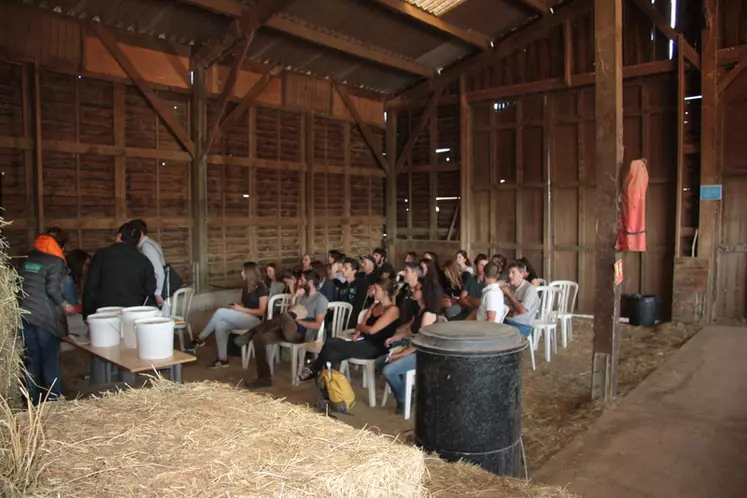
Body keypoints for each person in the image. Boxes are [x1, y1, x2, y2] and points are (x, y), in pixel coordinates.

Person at [237, 269, 329, 388]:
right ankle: (264, 378)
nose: (299, 282)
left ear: (310, 282)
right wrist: (294, 297)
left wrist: (298, 321)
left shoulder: (321, 299)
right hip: (287, 328)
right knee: (259, 338)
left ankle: (251, 332)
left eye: (302, 280)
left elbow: (317, 324)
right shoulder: (302, 296)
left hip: (302, 334)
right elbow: (290, 313)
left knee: (284, 316)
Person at [298, 278, 400, 383]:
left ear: (385, 293)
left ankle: (314, 369)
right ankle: (327, 388)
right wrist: (358, 332)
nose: (373, 292)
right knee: (331, 355)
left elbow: (372, 330)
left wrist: (359, 327)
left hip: (376, 347)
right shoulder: (375, 305)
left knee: (331, 341)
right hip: (363, 341)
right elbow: (364, 323)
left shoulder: (393, 310)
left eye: (376, 290)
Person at [16, 228, 75, 405]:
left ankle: (32, 403)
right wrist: (66, 305)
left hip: (25, 315)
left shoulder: (26, 258)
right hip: (45, 318)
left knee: (32, 360)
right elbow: (52, 289)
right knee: (50, 360)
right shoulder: (56, 261)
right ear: (60, 246)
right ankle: (54, 402)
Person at [379, 259, 442, 414]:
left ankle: (402, 399)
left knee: (388, 370)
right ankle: (407, 391)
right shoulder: (420, 310)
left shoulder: (428, 314)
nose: (413, 291)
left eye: (417, 289)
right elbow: (410, 330)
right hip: (414, 348)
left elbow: (419, 343)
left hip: (423, 354)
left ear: (424, 292)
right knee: (380, 362)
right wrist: (397, 337)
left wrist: (400, 354)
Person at [186, 262, 268, 368]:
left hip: (256, 321)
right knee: (221, 325)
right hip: (244, 317)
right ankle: (223, 359)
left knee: (220, 312)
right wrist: (236, 308)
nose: (241, 273)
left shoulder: (262, 288)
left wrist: (240, 309)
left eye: (243, 271)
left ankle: (201, 338)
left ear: (250, 273)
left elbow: (262, 311)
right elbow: (244, 304)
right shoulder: (247, 287)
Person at [83, 223, 156, 318]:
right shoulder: (143, 260)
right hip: (133, 313)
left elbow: (91, 286)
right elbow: (150, 289)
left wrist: (87, 313)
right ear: (137, 242)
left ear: (119, 236)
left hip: (105, 312)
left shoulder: (101, 255)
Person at [129, 219, 167, 306]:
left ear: (140, 233)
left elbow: (158, 271)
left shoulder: (146, 247)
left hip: (157, 290)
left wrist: (157, 293)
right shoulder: (151, 243)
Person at [502, 261, 541, 337]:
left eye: (513, 273)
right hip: (507, 321)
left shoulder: (530, 289)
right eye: (509, 272)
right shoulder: (510, 287)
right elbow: (504, 307)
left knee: (497, 336)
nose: (509, 275)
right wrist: (510, 312)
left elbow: (521, 310)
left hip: (521, 325)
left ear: (522, 274)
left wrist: (509, 295)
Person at [338, 257, 371, 329]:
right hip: (342, 315)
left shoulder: (361, 284)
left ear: (354, 271)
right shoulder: (342, 286)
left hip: (356, 317)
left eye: (346, 268)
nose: (343, 270)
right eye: (343, 267)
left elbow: (361, 304)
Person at [457, 253, 489, 318]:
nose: (484, 267)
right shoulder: (471, 279)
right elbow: (462, 298)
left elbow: (482, 303)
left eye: (486, 265)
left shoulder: (489, 282)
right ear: (476, 265)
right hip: (467, 310)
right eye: (481, 265)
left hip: (481, 314)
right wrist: (471, 306)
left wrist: (469, 298)